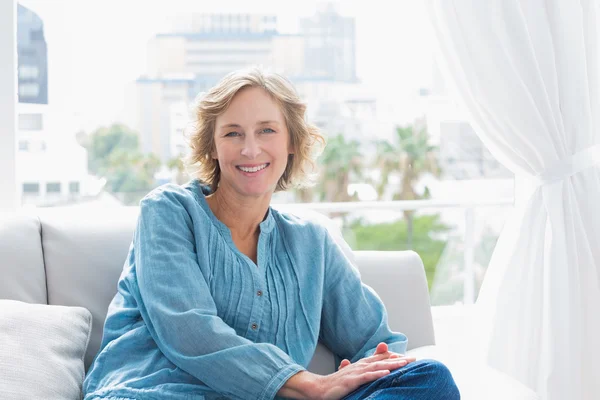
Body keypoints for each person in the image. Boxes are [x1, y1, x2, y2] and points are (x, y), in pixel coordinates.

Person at [83, 67, 460, 400]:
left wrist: (376, 369)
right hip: (149, 393)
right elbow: (190, 331)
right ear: (212, 147)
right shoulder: (168, 212)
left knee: (430, 379)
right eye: (232, 133)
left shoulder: (311, 243)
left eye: (267, 130)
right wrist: (311, 384)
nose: (250, 149)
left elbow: (376, 343)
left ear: (291, 142)